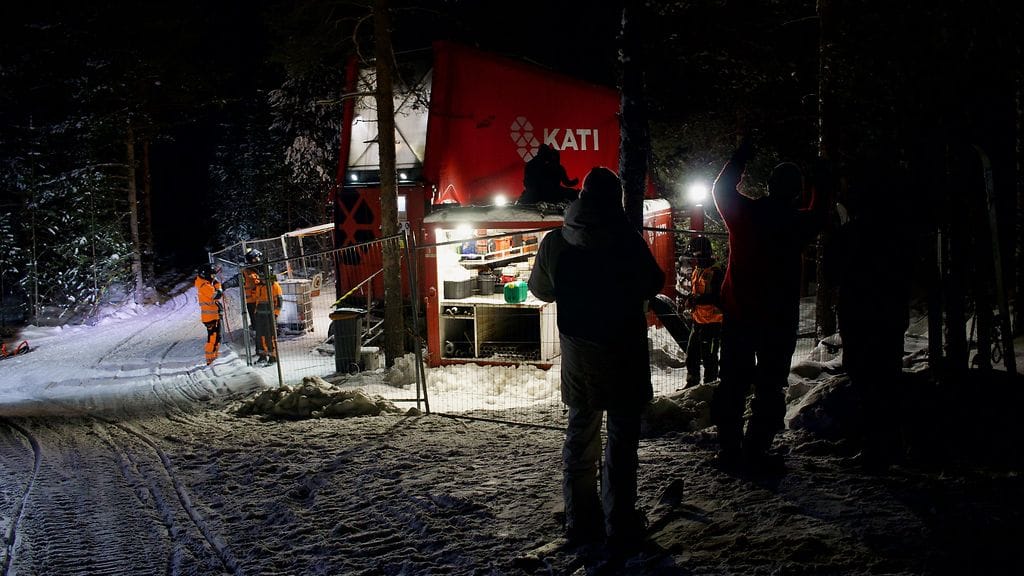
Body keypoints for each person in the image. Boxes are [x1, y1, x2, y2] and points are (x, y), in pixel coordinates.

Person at [528, 167, 665, 554]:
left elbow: (541, 290)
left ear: (583, 196)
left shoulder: (556, 241)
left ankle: (579, 517)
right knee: (621, 443)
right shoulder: (628, 242)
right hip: (624, 353)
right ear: (616, 200)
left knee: (580, 437)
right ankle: (619, 521)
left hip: (579, 355)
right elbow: (654, 283)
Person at [709, 134, 831, 473]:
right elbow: (821, 211)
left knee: (733, 382)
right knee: (770, 387)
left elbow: (721, 190)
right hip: (778, 319)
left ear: (769, 183)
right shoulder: (797, 223)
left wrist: (741, 156)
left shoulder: (745, 214)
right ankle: (757, 449)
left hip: (740, 314)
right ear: (795, 190)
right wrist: (819, 177)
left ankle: (730, 449)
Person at [829, 155, 910, 472]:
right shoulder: (895, 229)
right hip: (887, 314)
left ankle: (877, 448)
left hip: (863, 314)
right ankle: (888, 445)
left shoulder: (855, 232)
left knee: (868, 380)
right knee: (886, 378)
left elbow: (836, 270)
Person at [683, 235, 723, 388]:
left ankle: (709, 386)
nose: (694, 258)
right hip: (698, 321)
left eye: (696, 254)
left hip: (712, 323)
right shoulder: (697, 271)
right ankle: (692, 383)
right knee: (692, 355)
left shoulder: (716, 272)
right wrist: (690, 299)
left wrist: (696, 300)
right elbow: (697, 293)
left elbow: (717, 298)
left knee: (709, 358)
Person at [242, 249, 283, 366]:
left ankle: (273, 356)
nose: (261, 279)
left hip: (270, 314)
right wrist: (255, 312)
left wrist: (275, 314)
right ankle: (263, 355)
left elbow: (279, 302)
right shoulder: (259, 286)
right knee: (261, 335)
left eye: (263, 277)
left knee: (270, 336)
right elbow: (257, 299)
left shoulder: (274, 286)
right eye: (260, 277)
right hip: (260, 314)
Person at [195, 263, 224, 366]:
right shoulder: (205, 286)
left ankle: (213, 357)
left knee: (216, 337)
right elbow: (217, 295)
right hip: (211, 317)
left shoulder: (204, 283)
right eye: (212, 275)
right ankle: (210, 359)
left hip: (211, 316)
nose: (213, 277)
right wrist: (218, 286)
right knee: (213, 338)